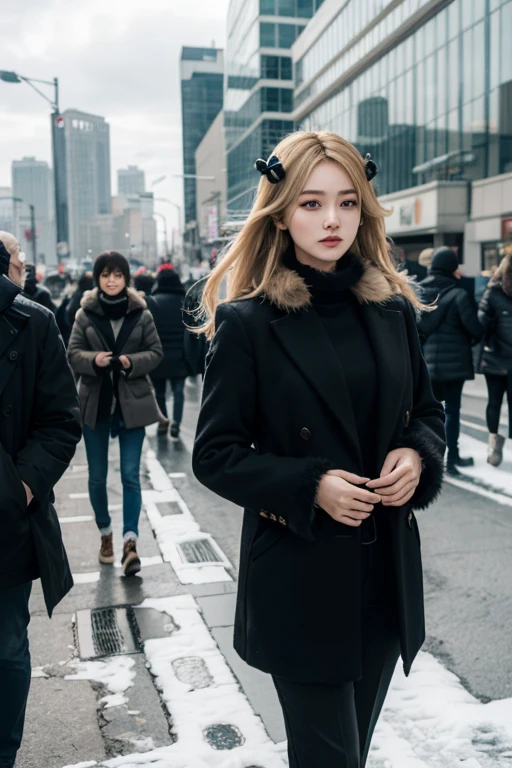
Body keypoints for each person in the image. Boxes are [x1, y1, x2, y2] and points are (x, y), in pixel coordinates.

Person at [191, 132, 445, 768]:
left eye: (347, 202)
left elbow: (429, 413)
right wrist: (310, 486)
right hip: (301, 582)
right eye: (311, 203)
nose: (332, 220)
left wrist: (416, 457)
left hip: (384, 573)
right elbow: (216, 453)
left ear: (364, 210)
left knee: (348, 753)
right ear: (280, 211)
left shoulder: (392, 309)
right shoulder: (249, 322)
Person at [0, 231, 81, 767]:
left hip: (6, 522)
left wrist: (17, 488)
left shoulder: (33, 322)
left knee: (5, 652)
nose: (22, 269)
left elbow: (59, 421)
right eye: (19, 261)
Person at [67, 251, 163, 576]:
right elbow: (72, 353)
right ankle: (106, 533)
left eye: (118, 275)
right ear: (97, 279)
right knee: (97, 477)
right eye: (106, 275)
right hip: (96, 403)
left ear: (126, 279)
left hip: (132, 404)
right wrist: (94, 360)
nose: (111, 280)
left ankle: (130, 543)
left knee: (129, 475)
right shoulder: (85, 314)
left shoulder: (141, 313)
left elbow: (156, 352)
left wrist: (131, 362)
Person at [418, 247, 483, 476]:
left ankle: (427, 459)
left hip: (425, 364)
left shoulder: (419, 292)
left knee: (428, 412)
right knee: (452, 410)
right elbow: (475, 329)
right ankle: (451, 459)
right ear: (451, 268)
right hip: (454, 365)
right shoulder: (459, 295)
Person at [145, 264, 189, 438]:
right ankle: (177, 422)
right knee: (179, 390)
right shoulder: (184, 301)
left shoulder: (152, 302)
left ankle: (163, 421)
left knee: (160, 391)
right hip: (181, 354)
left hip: (159, 354)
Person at [478, 252, 512, 466]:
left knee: (494, 402)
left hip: (495, 357)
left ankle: (493, 444)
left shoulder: (493, 292)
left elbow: (482, 325)